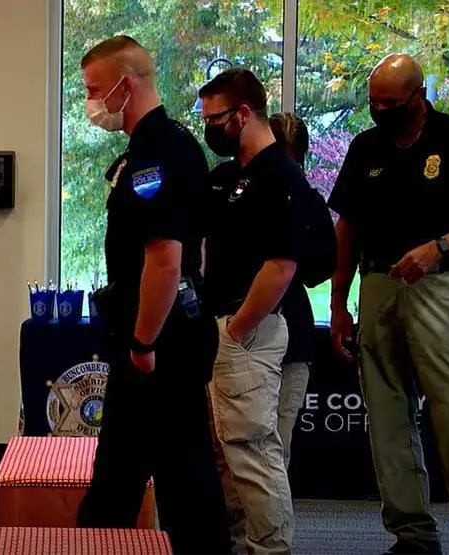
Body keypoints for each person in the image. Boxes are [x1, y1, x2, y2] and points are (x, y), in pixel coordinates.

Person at [327, 53, 449, 555]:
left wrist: (441, 247)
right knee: (387, 420)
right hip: (378, 285)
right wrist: (340, 302)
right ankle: (412, 535)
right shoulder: (366, 146)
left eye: (390, 102)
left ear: (418, 97)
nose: (379, 109)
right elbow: (346, 227)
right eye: (373, 101)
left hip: (441, 288)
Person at [74, 35, 231, 554]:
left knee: (167, 478)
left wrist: (142, 342)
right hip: (164, 334)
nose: (91, 103)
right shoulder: (165, 147)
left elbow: (166, 258)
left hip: (158, 343)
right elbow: (199, 249)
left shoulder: (156, 154)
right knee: (145, 472)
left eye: (96, 90)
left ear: (128, 83)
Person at [199, 68, 307, 555]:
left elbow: (282, 266)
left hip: (250, 330)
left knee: (254, 452)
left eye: (215, 118)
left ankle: (271, 549)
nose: (209, 128)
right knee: (225, 454)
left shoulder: (278, 175)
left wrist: (240, 328)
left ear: (244, 114)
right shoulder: (230, 176)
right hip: (221, 327)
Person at [267, 112, 315, 467]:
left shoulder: (306, 198)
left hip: (290, 333)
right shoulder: (235, 191)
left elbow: (319, 266)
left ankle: (271, 523)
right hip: (248, 330)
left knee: (276, 444)